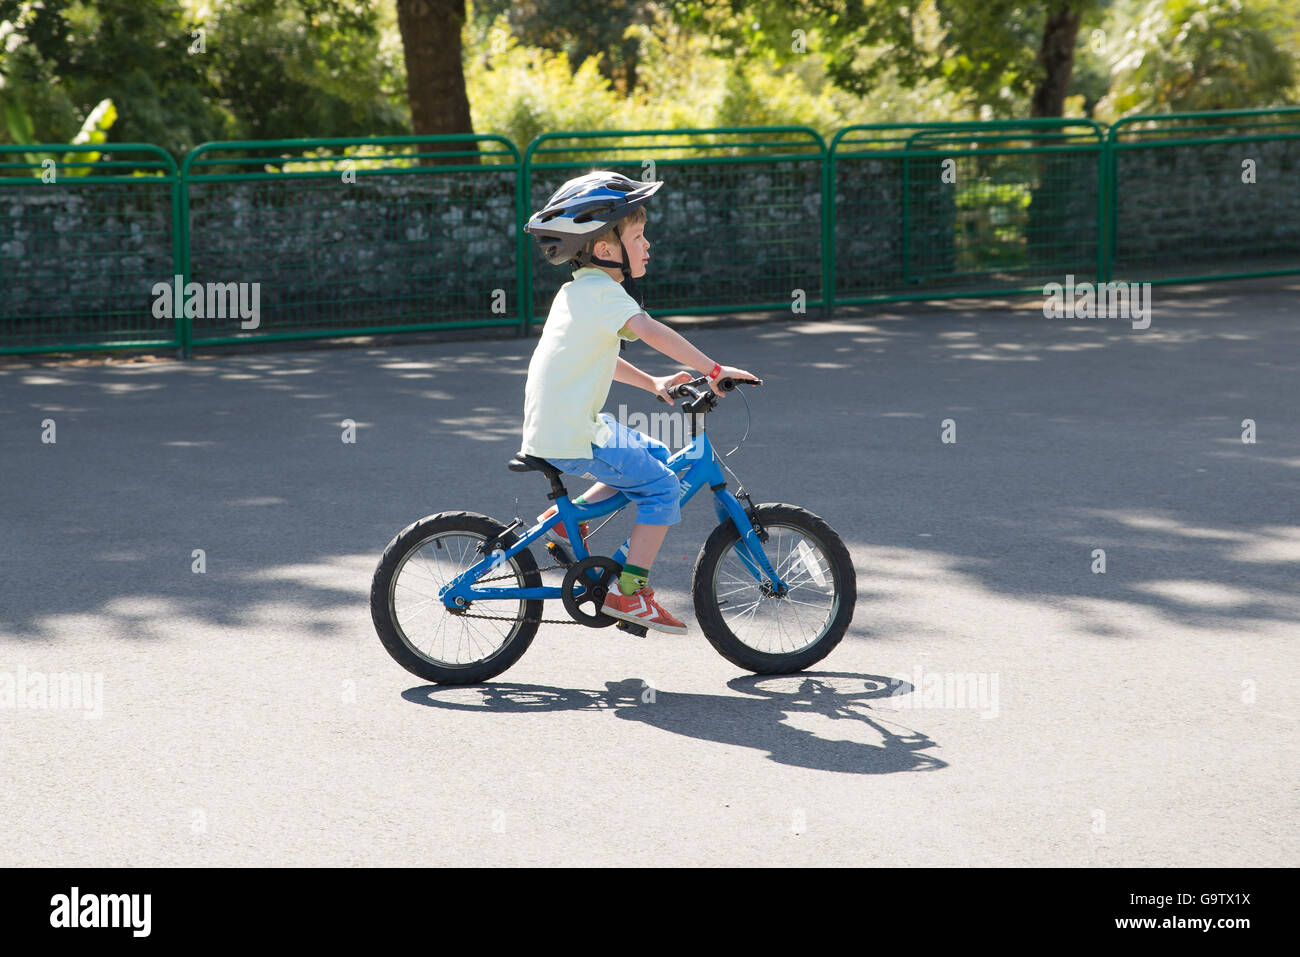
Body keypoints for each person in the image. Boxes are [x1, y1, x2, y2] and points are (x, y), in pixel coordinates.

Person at [519, 171, 757, 634]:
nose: (647, 245)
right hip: (573, 433)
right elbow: (651, 331)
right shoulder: (605, 295)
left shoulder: (579, 293)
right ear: (606, 250)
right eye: (638, 236)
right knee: (663, 486)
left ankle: (566, 523)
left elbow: (598, 360)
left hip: (570, 424)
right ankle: (628, 594)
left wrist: (653, 384)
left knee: (655, 455)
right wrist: (713, 370)